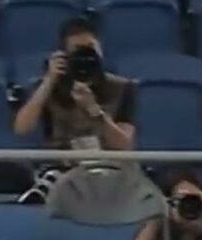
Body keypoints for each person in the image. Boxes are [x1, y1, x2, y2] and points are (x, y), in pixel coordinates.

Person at [13, 18, 137, 203]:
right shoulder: (48, 88)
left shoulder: (122, 88)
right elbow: (21, 128)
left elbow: (124, 145)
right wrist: (49, 80)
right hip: (63, 167)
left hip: (108, 166)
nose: (86, 56)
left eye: (91, 48)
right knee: (54, 181)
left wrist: (95, 111)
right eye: (78, 50)